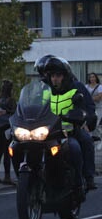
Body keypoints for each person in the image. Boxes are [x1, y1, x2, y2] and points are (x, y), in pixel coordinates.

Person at [37, 55, 96, 190]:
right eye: (52, 76)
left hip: (70, 131)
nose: (55, 79)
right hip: (48, 132)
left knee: (82, 143)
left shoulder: (76, 87)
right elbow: (35, 106)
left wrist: (84, 118)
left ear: (64, 76)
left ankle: (86, 178)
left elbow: (88, 108)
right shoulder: (44, 91)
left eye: (58, 75)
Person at [0, 79, 17, 185]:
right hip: (7, 128)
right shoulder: (11, 100)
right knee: (7, 153)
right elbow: (15, 112)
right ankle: (7, 176)